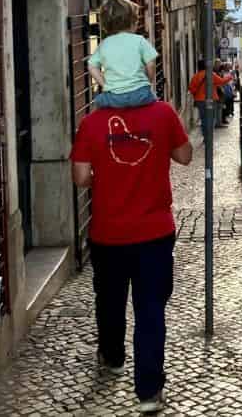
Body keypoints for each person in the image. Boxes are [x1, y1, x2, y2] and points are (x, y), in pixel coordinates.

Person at [70, 93, 193, 414]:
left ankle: (112, 357)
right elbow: (185, 156)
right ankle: (149, 391)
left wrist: (106, 177)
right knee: (150, 310)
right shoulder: (164, 113)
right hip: (154, 234)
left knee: (110, 301)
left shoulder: (91, 122)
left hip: (108, 235)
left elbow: (81, 177)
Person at [87, 0, 158, 109]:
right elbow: (151, 63)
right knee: (154, 103)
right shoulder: (139, 40)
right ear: (132, 22)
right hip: (140, 94)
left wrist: (105, 85)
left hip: (114, 97)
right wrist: (148, 80)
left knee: (99, 102)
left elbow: (92, 66)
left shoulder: (104, 44)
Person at [188, 59, 232, 141]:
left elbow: (191, 89)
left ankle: (205, 136)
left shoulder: (195, 76)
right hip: (210, 100)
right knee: (211, 119)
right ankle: (209, 137)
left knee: (203, 119)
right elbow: (222, 81)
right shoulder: (211, 75)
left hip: (200, 101)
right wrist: (230, 77)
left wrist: (197, 95)